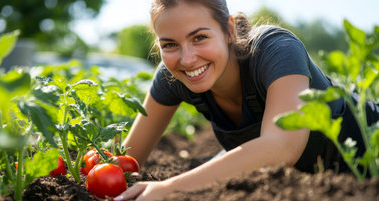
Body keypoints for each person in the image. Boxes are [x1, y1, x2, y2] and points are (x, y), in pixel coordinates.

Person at [114, 0, 379, 200]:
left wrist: (170, 189)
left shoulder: (275, 49)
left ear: (229, 30)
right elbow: (127, 157)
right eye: (169, 44)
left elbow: (282, 145)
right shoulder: (172, 76)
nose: (186, 58)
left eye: (200, 37)